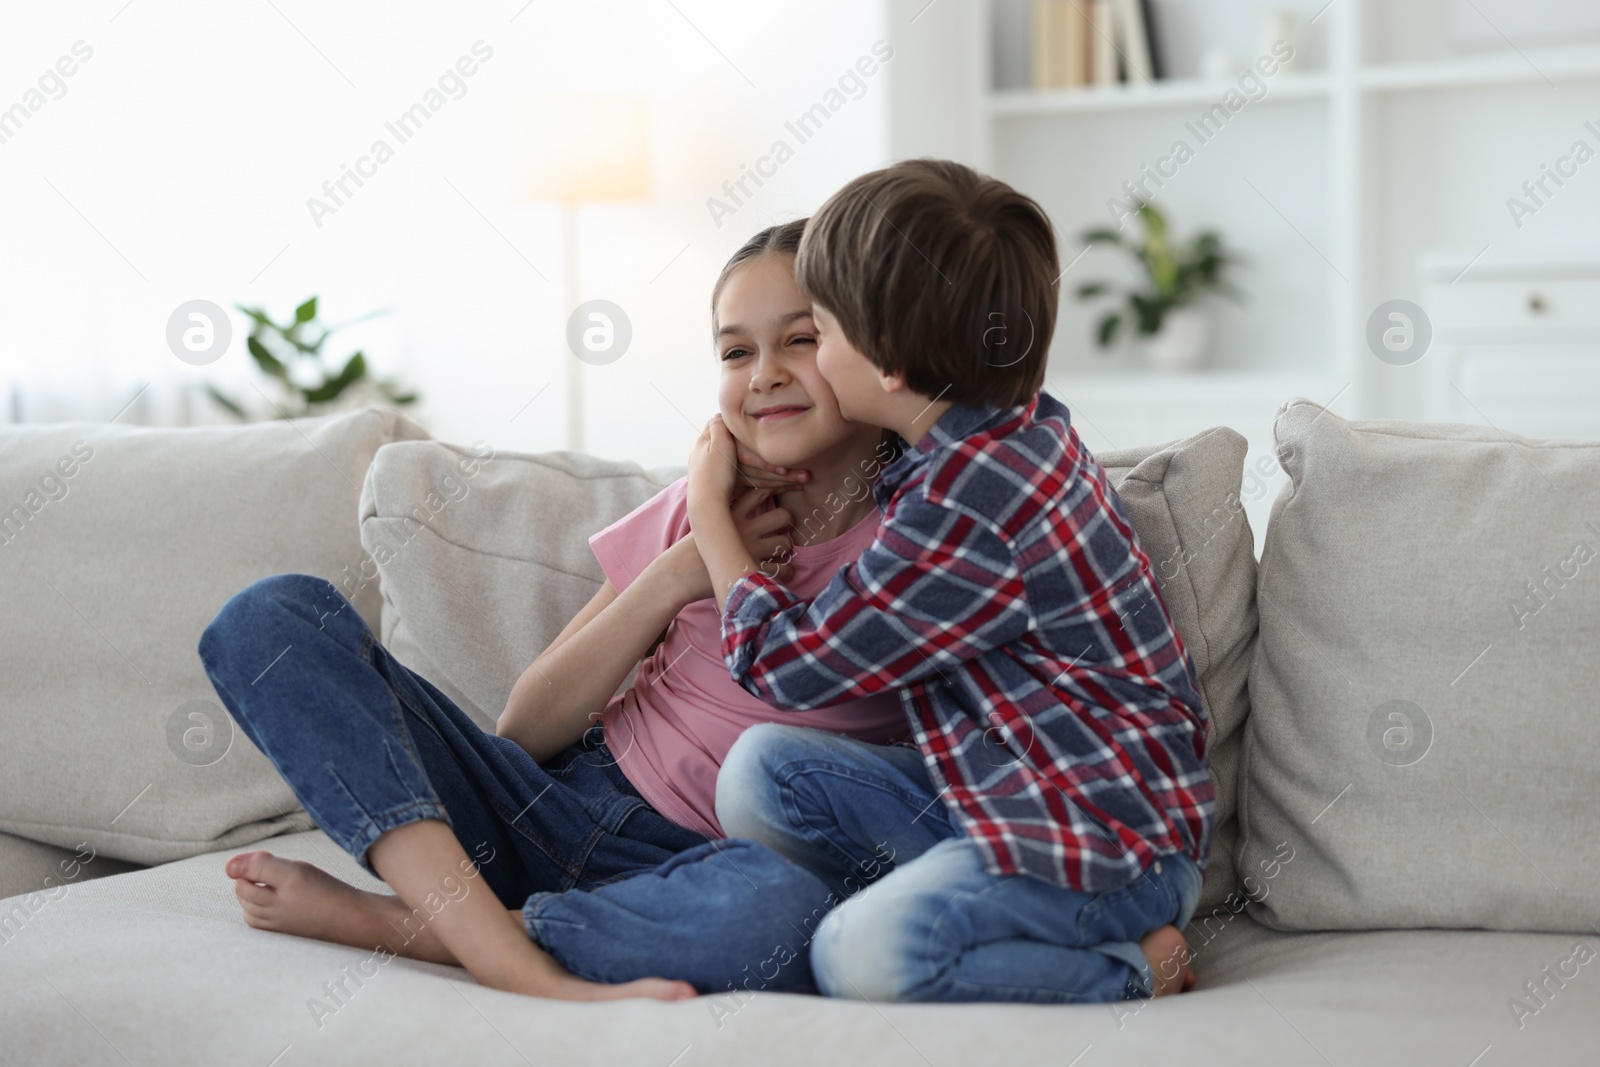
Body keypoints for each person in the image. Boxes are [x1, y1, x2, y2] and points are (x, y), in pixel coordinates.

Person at [196, 218, 908, 1000]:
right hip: (547, 801)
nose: (764, 374)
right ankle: (500, 947)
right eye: (736, 351)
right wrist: (679, 570)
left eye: (799, 340)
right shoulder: (699, 505)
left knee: (788, 917)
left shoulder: (925, 549)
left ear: (873, 352)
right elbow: (524, 730)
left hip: (699, 868)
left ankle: (423, 927)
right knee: (268, 619)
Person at [686, 158, 1216, 1004]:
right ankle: (960, 904)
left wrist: (710, 519)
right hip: (1004, 795)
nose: (808, 358)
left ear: (889, 360)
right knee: (759, 772)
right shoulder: (1007, 431)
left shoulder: (970, 507)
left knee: (857, 956)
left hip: (1110, 844)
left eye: (818, 331)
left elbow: (783, 666)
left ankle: (1128, 966)